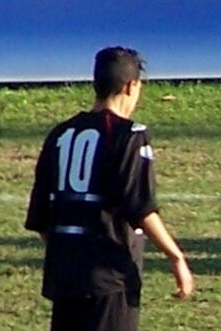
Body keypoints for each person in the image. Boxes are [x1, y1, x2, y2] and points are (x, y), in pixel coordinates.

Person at [24, 46, 194, 331]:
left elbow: (41, 216)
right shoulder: (130, 135)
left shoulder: (60, 134)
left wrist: (70, 252)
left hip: (65, 277)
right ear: (131, 85)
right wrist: (176, 257)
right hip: (110, 277)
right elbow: (139, 206)